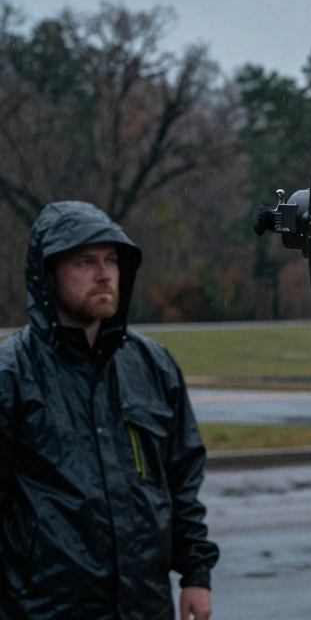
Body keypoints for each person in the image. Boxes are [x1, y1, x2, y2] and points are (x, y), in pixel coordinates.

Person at [0, 201, 219, 620]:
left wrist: (196, 574)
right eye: (85, 262)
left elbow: (181, 482)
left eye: (112, 261)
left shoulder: (153, 367)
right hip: (43, 607)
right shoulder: (12, 375)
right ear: (48, 274)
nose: (104, 275)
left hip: (144, 605)